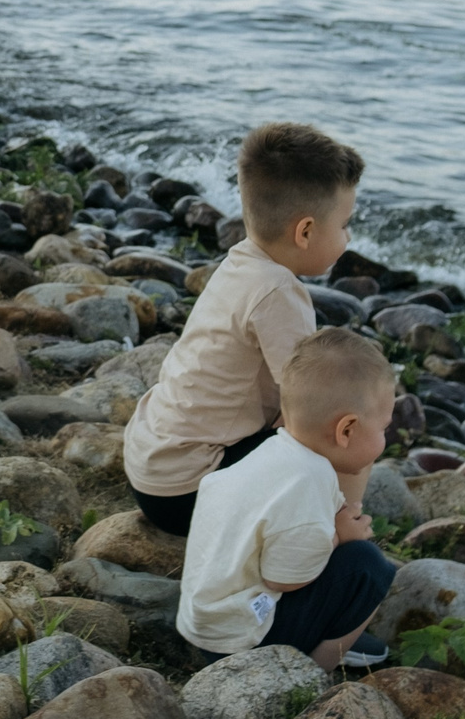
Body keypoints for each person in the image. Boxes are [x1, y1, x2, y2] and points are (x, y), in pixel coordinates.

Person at [124, 122, 364, 537]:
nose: (348, 236)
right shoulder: (278, 292)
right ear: (305, 231)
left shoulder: (241, 262)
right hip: (188, 491)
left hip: (153, 467)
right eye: (344, 224)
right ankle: (341, 524)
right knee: (346, 428)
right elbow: (307, 410)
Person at [176, 326, 398, 669]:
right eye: (383, 428)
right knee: (369, 567)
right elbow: (283, 579)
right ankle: (311, 673)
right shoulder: (308, 483)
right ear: (347, 430)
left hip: (206, 623)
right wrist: (342, 538)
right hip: (242, 640)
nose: (385, 439)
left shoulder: (274, 452)